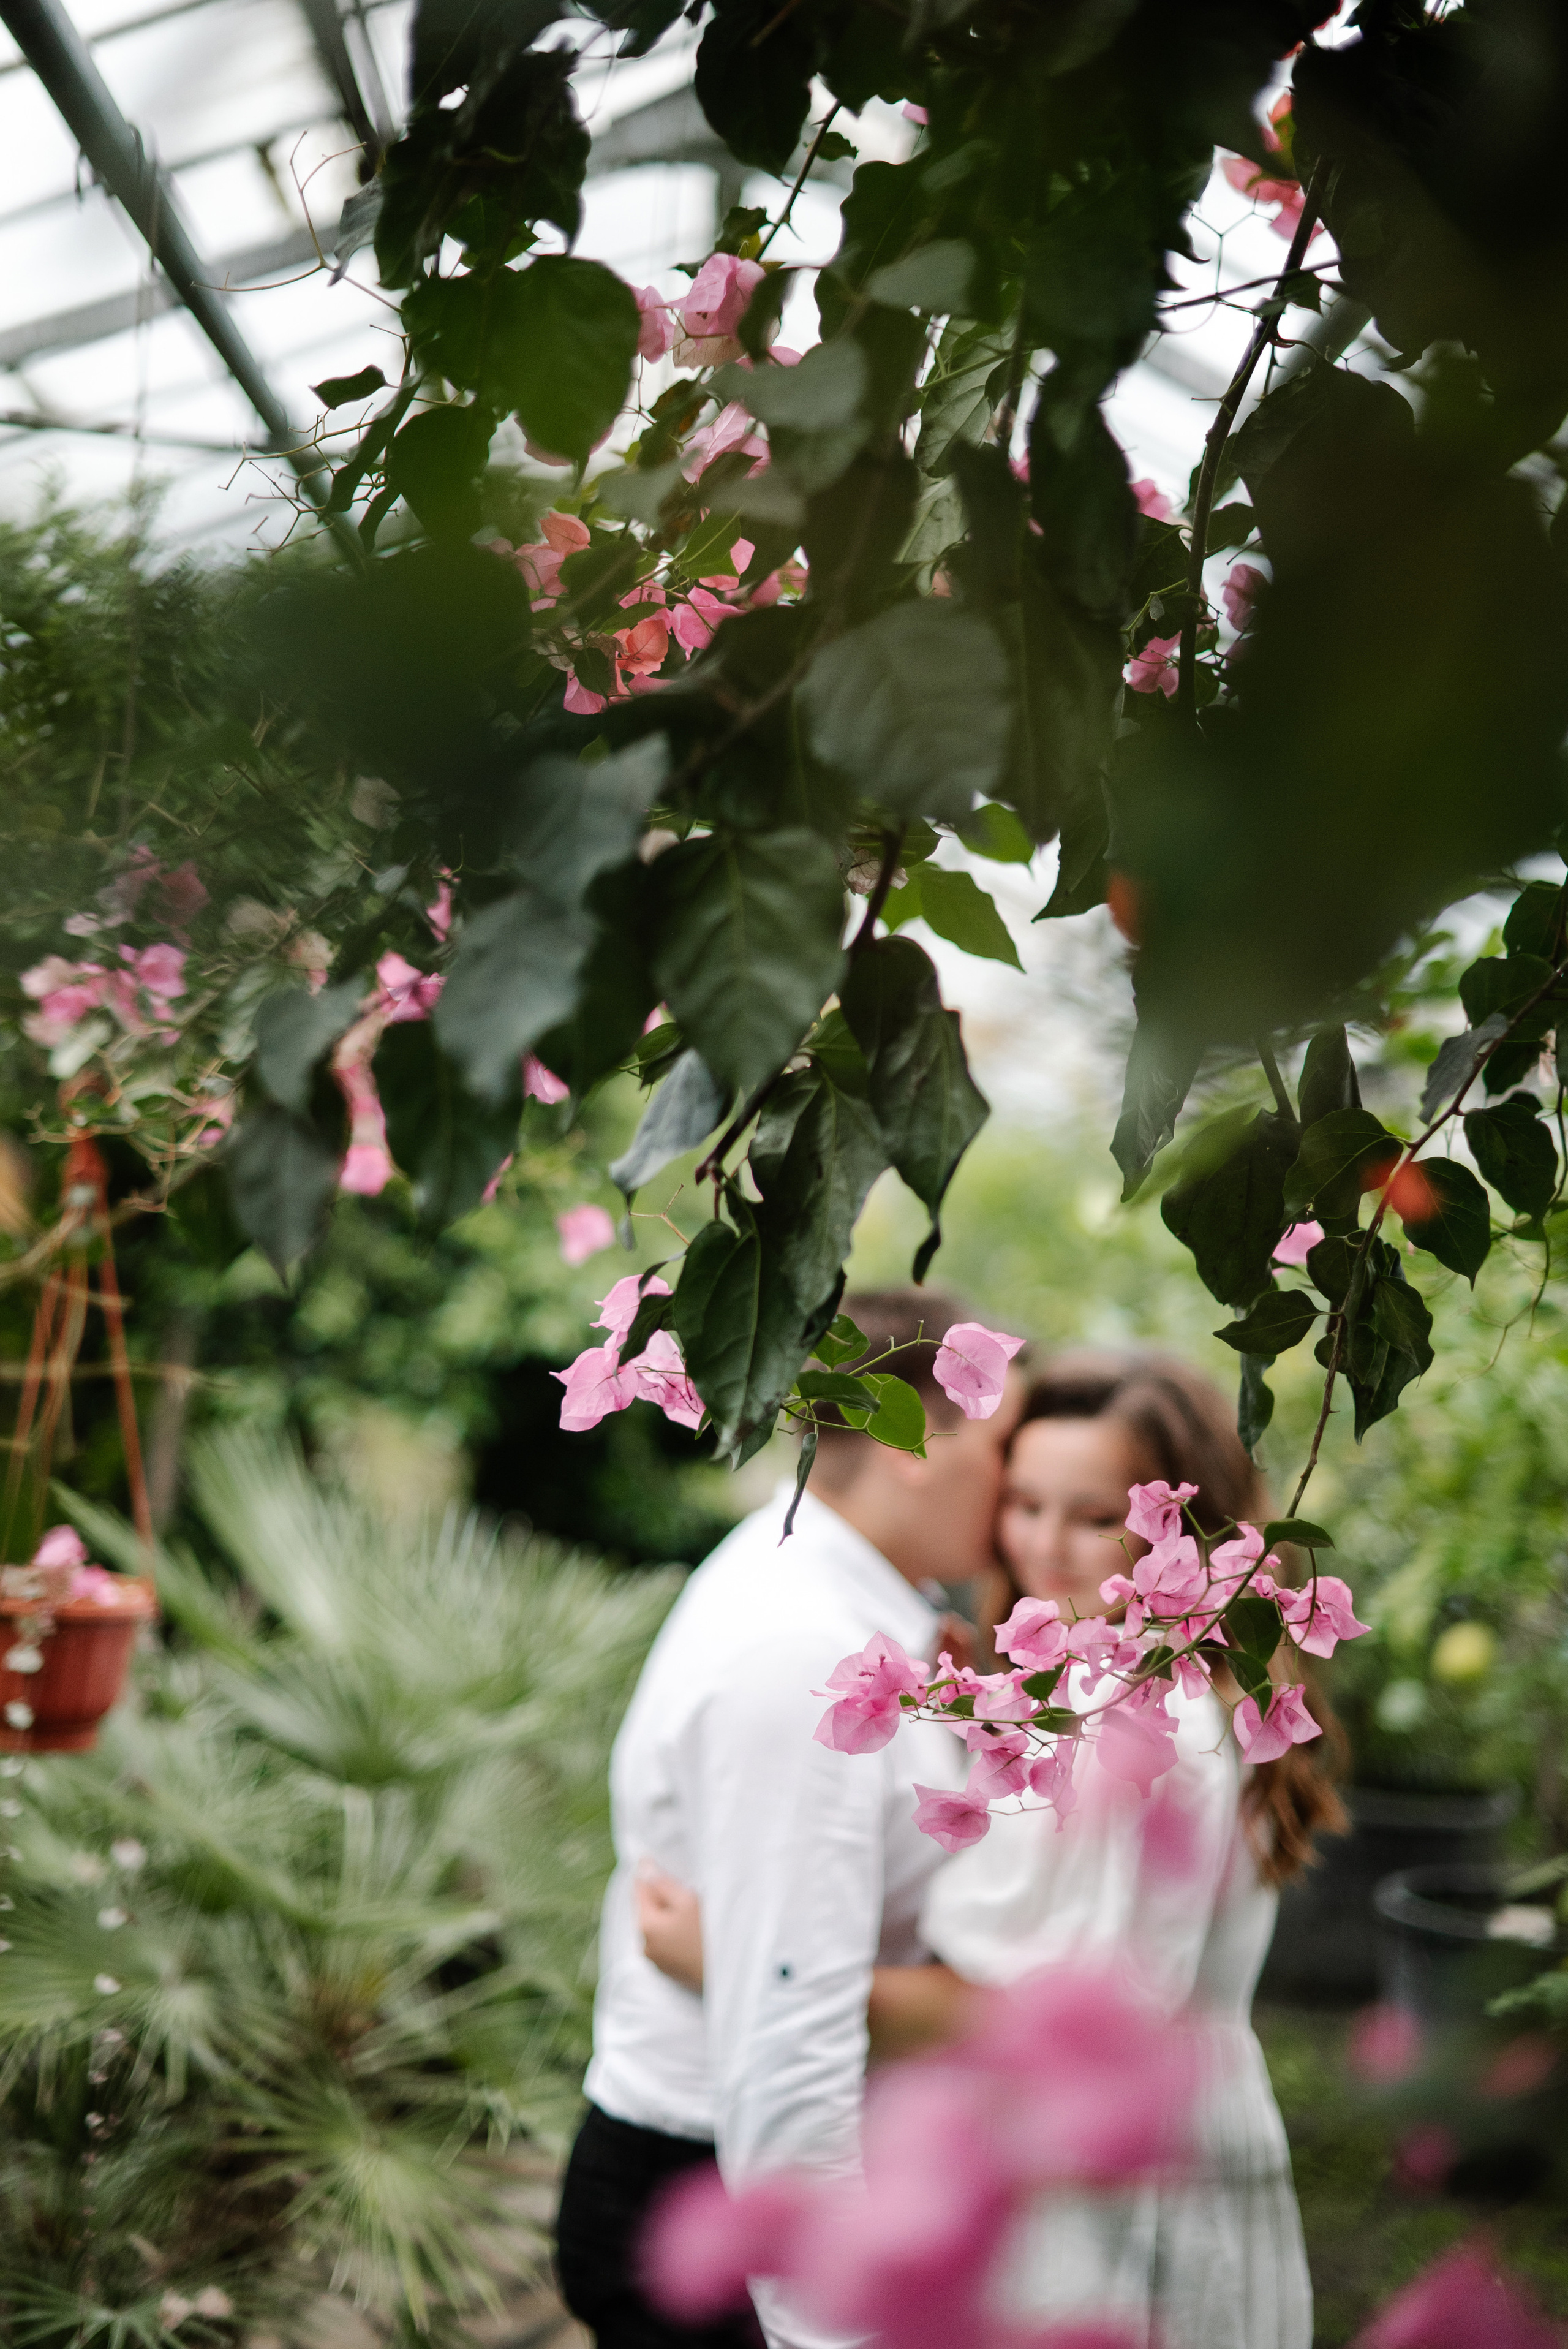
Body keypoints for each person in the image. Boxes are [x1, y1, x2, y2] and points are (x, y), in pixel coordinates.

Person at [639, 1350, 1345, 2349]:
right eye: (1024, 1500)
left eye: (1097, 1513)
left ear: (1186, 1532)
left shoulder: (1150, 1727)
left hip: (1088, 2186)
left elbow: (1053, 2032)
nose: (1045, 1543)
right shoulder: (1124, 1690)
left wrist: (742, 1964)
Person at [554, 1288, 1023, 2349]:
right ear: (916, 1441)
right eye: (1004, 1433)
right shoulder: (804, 1644)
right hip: (717, 2199)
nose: (1015, 1479)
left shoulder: (853, 1598)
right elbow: (786, 2030)